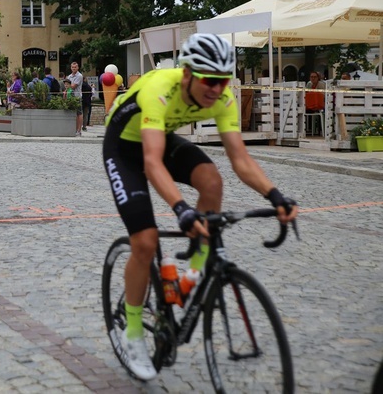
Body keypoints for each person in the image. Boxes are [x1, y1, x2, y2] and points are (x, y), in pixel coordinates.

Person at [102, 33, 297, 380]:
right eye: (209, 80)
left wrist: (275, 195)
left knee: (212, 181)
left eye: (223, 81)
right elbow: (151, 162)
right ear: (188, 74)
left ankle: (193, 269)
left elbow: (241, 160)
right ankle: (132, 333)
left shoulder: (222, 97)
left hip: (160, 138)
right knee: (145, 242)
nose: (216, 89)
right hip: (124, 147)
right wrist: (181, 209)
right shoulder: (159, 87)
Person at [68, 61, 83, 136]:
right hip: (70, 97)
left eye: (75, 67)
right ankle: (74, 129)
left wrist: (68, 85)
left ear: (78, 67)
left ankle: (79, 130)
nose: (73, 68)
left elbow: (73, 86)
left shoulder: (79, 76)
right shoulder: (69, 76)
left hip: (77, 97)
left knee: (79, 113)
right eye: (72, 67)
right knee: (73, 113)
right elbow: (67, 86)